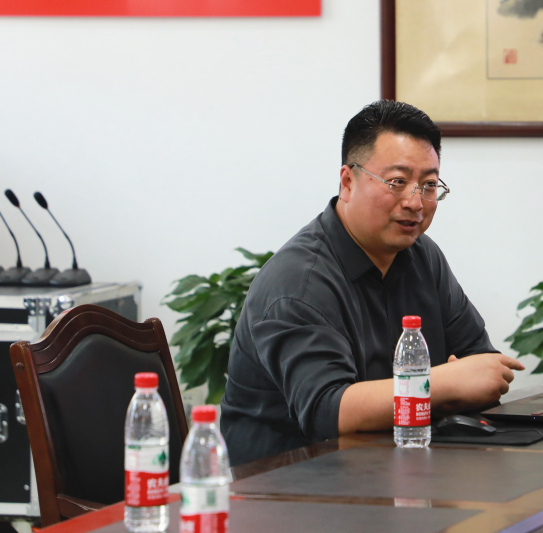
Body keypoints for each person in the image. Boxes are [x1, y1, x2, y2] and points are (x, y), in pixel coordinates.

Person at [220, 101, 524, 466]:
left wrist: (465, 380)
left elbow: (481, 367)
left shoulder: (422, 256)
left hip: (396, 468)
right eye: (397, 182)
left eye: (429, 185)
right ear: (348, 182)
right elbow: (328, 411)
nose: (416, 202)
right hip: (292, 483)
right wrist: (443, 384)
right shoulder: (298, 283)